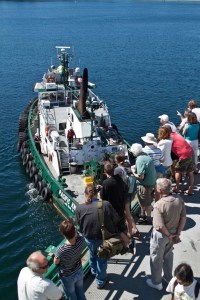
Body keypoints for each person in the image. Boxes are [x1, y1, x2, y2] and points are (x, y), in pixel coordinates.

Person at [75, 184, 133, 289]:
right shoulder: (105, 205)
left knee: (92, 254)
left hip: (88, 238)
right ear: (97, 193)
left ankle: (93, 271)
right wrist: (122, 232)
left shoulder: (79, 208)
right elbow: (116, 219)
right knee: (101, 259)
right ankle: (100, 281)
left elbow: (79, 224)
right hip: (104, 239)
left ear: (85, 194)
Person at [146, 178, 186, 291]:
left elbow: (160, 225)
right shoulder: (179, 199)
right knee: (168, 256)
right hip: (173, 233)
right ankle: (169, 278)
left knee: (156, 258)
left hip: (161, 236)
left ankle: (156, 282)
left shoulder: (159, 205)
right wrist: (177, 234)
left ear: (159, 189)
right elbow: (183, 217)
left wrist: (169, 235)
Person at [54, 219, 85, 300]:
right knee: (81, 292)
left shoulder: (61, 249)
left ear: (64, 235)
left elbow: (55, 262)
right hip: (78, 270)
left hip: (67, 276)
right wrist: (76, 232)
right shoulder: (81, 240)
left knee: (72, 296)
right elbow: (79, 235)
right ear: (75, 231)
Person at [130, 143, 157, 224]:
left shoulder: (139, 160)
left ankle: (148, 219)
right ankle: (142, 215)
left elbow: (141, 176)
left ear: (134, 152)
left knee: (147, 202)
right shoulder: (146, 156)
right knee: (145, 200)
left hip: (145, 185)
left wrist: (133, 172)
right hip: (152, 183)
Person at [114, 153, 139, 237]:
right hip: (131, 192)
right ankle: (134, 228)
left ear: (116, 160)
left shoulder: (117, 170)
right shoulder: (128, 167)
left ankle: (132, 231)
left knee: (127, 213)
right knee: (127, 212)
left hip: (124, 194)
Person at [165, 125, 195, 195]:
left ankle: (177, 188)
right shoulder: (176, 133)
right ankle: (190, 190)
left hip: (183, 156)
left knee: (178, 171)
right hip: (190, 152)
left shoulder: (169, 138)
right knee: (190, 173)